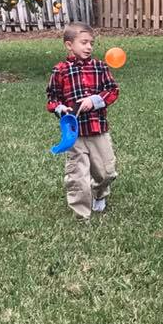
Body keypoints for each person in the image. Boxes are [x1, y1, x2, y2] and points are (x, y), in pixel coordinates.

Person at [46, 22, 119, 220]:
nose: (89, 47)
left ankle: (99, 193)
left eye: (91, 43)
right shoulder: (60, 71)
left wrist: (94, 101)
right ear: (69, 45)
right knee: (77, 176)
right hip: (75, 133)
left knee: (107, 172)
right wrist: (61, 109)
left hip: (97, 129)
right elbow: (52, 98)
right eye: (84, 42)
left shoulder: (99, 67)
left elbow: (112, 90)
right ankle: (81, 215)